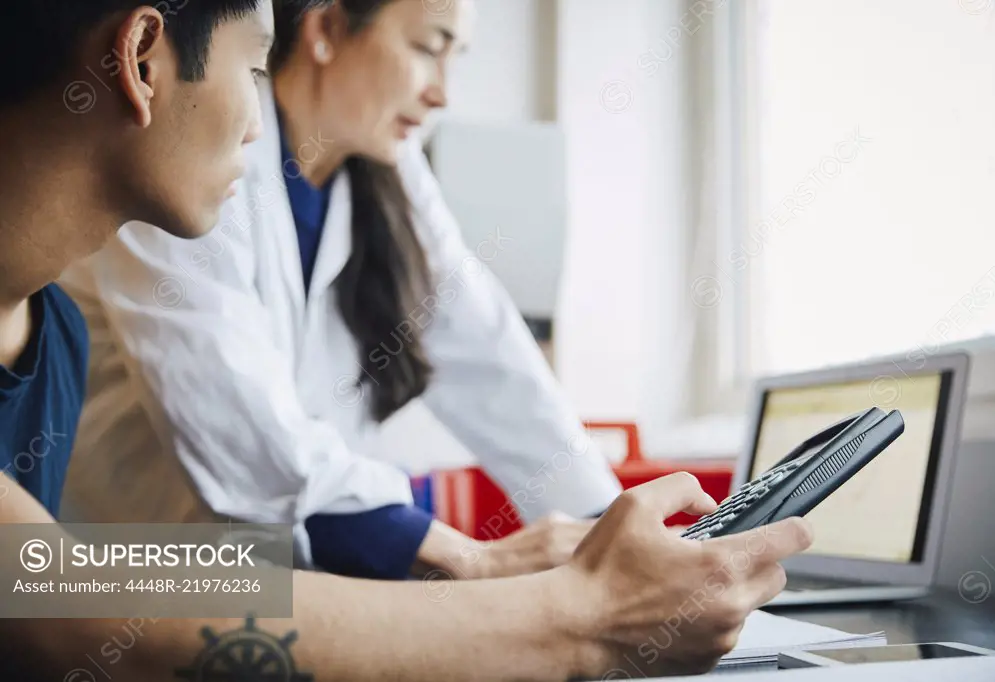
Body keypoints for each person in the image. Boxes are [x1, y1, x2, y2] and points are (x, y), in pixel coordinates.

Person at [0, 1, 815, 679]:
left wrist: (611, 533)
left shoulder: (54, 333)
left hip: (239, 574)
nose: (254, 124)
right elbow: (67, 594)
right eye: (253, 65)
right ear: (142, 60)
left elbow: (78, 582)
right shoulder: (172, 218)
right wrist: (567, 611)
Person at [58, 0, 624, 581]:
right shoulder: (185, 163)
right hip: (122, 578)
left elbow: (489, 351)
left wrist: (609, 524)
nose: (442, 95)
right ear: (325, 30)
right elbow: (244, 427)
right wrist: (470, 558)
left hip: (282, 580)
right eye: (429, 48)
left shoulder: (386, 171)